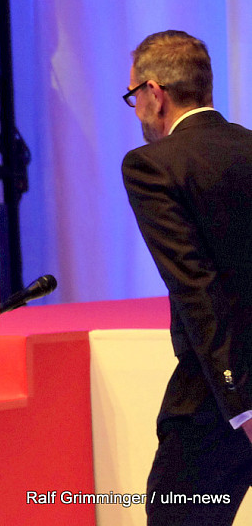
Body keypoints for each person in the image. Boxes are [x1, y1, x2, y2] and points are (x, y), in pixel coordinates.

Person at [121, 30, 252, 525]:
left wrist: (241, 404)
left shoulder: (151, 166)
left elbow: (196, 288)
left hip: (218, 397)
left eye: (134, 96)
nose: (135, 110)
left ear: (155, 93)